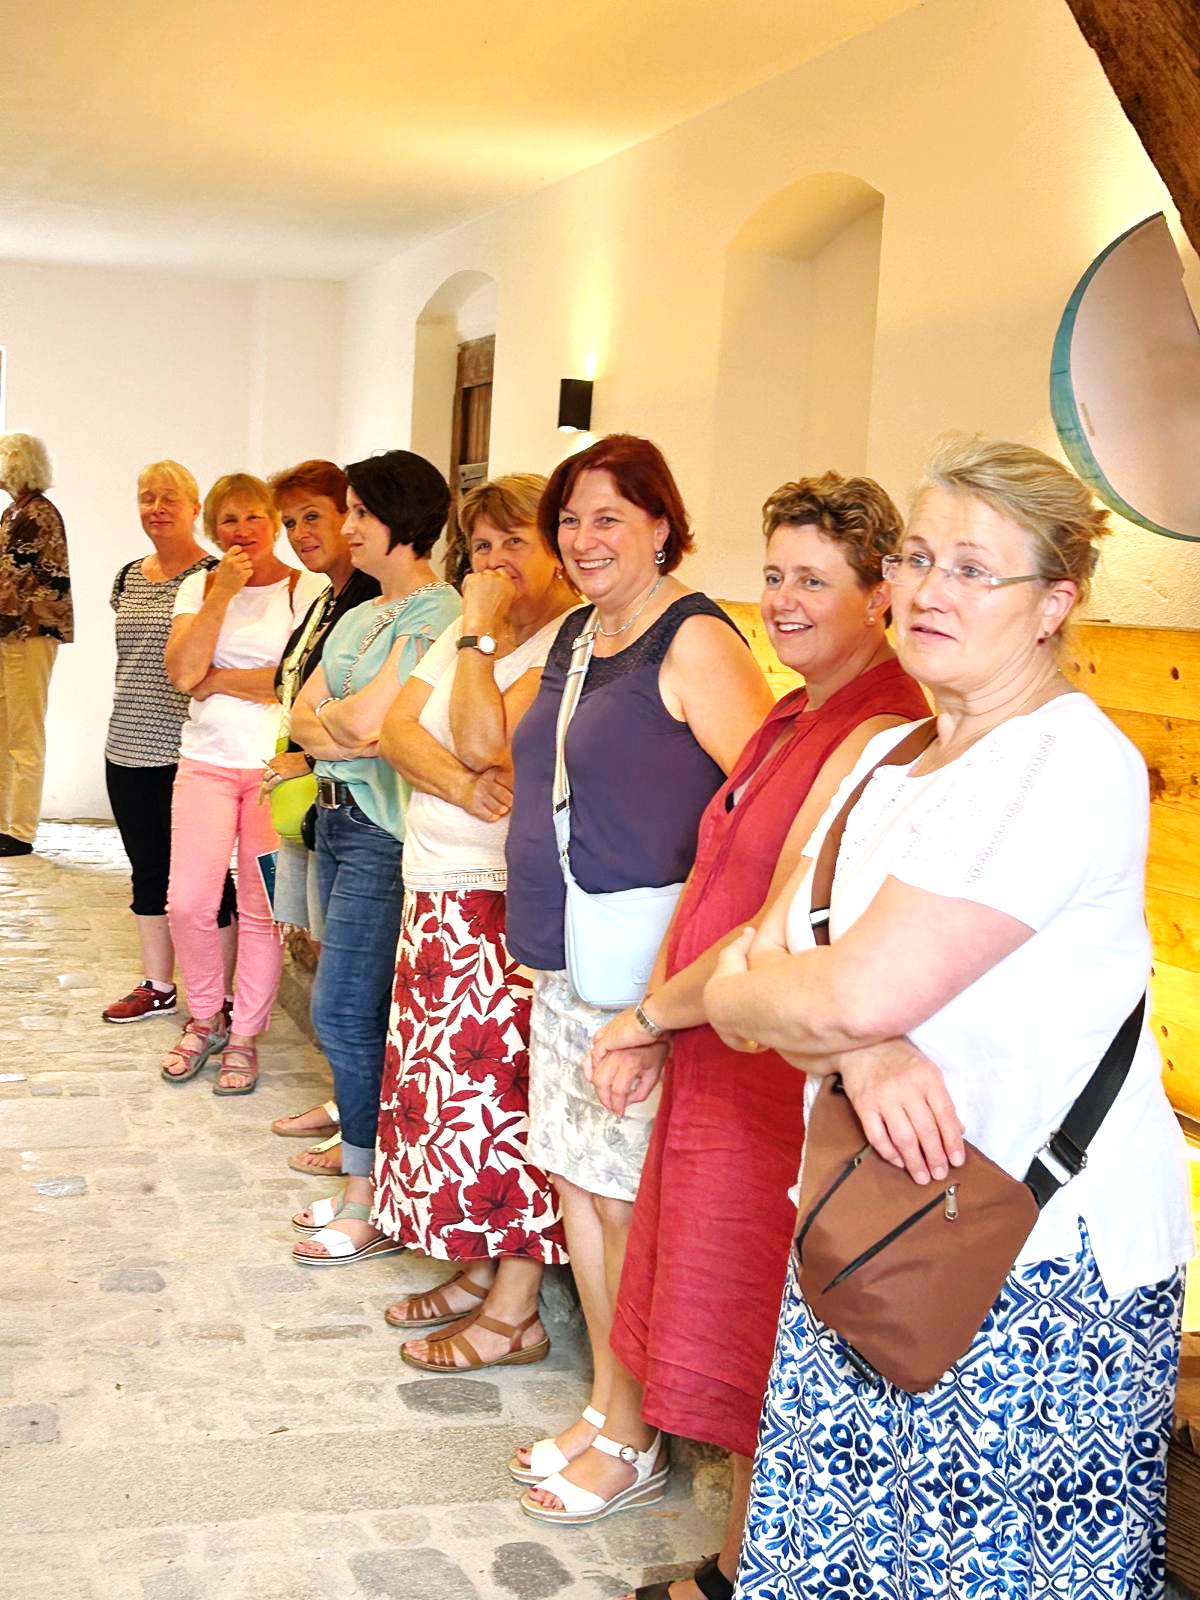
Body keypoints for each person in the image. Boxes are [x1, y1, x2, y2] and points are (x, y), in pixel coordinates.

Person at [702, 436, 1193, 1600]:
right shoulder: (887, 756)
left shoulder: (1066, 761)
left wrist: (827, 1012)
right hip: (866, 1225)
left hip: (1034, 1261)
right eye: (917, 557)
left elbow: (823, 987)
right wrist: (864, 1048)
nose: (928, 588)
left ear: (1053, 602)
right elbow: (747, 968)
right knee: (834, 1560)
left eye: (973, 568)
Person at [584, 473, 930, 1599]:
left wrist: (648, 1016)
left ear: (880, 595)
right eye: (774, 575)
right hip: (722, 1046)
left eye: (814, 581)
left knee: (764, 1323)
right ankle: (743, 1559)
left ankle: (750, 1570)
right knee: (738, 1317)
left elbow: (779, 924)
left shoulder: (881, 724)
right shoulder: (792, 708)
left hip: (775, 1065)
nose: (782, 601)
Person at [506, 434, 775, 1525]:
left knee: (622, 1203)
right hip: (566, 958)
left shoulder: (695, 638)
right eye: (570, 520)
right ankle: (605, 1404)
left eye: (609, 517)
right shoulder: (580, 632)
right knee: (578, 1188)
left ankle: (636, 1434)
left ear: (663, 525)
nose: (584, 539)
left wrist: (680, 988)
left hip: (643, 975)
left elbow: (763, 809)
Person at [362, 473, 578, 1368]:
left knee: (503, 1102)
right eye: (480, 545)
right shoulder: (470, 630)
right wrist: (457, 783)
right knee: (449, 1101)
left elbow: (495, 740)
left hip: (502, 894)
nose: (494, 562)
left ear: (558, 549)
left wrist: (479, 634)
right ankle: (481, 1270)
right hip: (437, 885)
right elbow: (394, 733)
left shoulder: (570, 636)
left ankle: (517, 1310)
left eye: (514, 542)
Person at [288, 449, 460, 1265]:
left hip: (382, 833)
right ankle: (374, 1179)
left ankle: (369, 1197)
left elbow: (364, 725)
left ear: (403, 517)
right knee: (355, 1013)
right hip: (332, 818)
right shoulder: (362, 614)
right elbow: (300, 714)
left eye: (360, 511)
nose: (347, 526)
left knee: (344, 1014)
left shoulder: (439, 611)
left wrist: (338, 724)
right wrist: (339, 727)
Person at [162, 473, 327, 1092]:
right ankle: (205, 1017)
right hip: (204, 761)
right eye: (228, 520)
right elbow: (182, 672)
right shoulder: (198, 587)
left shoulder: (307, 588)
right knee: (188, 901)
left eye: (254, 516)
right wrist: (220, 596)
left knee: (261, 909)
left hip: (272, 771)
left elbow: (292, 680)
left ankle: (245, 1036)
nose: (242, 531)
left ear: (274, 522)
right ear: (212, 529)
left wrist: (219, 679)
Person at [263, 460, 380, 1176]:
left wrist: (310, 746)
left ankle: (359, 1125)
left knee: (351, 991)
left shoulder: (373, 600)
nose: (301, 533)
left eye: (315, 515)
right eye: (291, 522)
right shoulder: (328, 601)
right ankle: (345, 1106)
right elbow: (301, 702)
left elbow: (361, 723)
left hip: (354, 807)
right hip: (314, 805)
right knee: (331, 968)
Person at [102, 461, 237, 1023]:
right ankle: (157, 984)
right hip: (125, 745)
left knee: (205, 878)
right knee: (146, 867)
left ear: (193, 508)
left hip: (188, 748)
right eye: (146, 497)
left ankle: (222, 994)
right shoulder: (127, 577)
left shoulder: (213, 577)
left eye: (169, 498)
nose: (156, 508)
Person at [0, 432, 71, 857]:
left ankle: (20, 829)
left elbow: (8, 577)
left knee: (24, 732)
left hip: (29, 634)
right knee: (6, 730)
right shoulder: (16, 512)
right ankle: (5, 822)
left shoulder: (35, 514)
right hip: (11, 634)